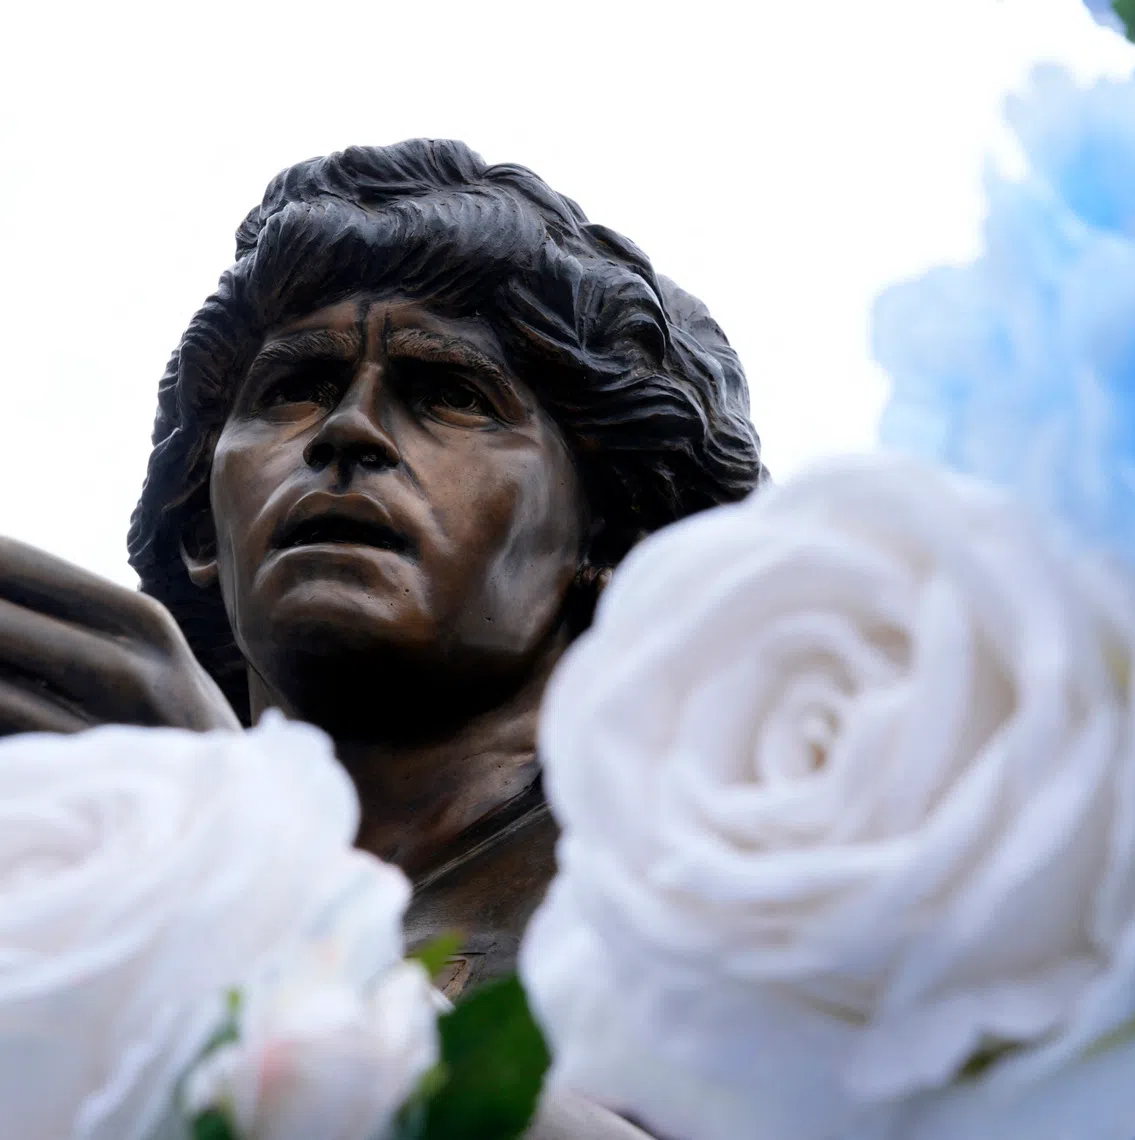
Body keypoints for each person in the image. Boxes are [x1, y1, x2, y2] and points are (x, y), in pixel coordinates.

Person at [0, 139, 762, 1137]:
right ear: (200, 530)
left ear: (616, 533)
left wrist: (230, 875)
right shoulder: (45, 896)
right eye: (292, 387)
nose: (348, 431)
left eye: (451, 393)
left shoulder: (739, 904)